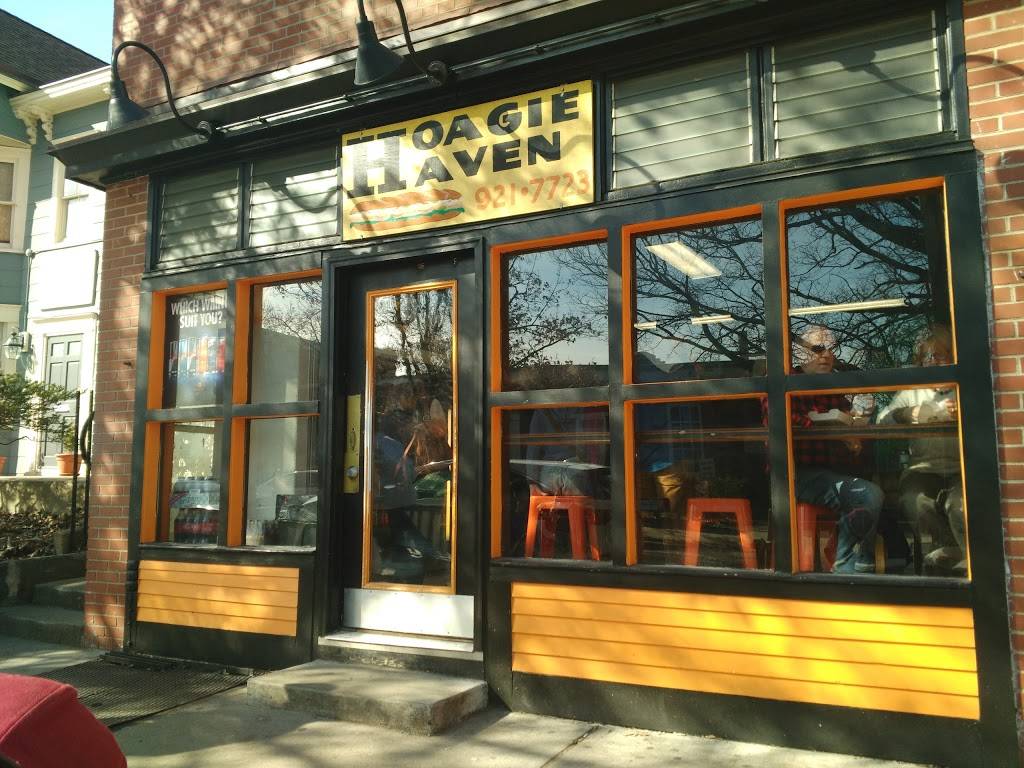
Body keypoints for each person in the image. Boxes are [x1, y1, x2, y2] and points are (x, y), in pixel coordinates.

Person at [790, 326, 883, 573]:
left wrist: (856, 434)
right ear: (799, 352)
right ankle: (850, 569)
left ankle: (846, 557)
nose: (827, 355)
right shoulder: (784, 381)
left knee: (874, 496)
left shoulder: (833, 386)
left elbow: (849, 421)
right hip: (795, 473)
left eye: (831, 349)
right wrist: (836, 432)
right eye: (818, 349)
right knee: (867, 494)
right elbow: (782, 421)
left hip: (834, 472)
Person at [876, 327, 965, 573]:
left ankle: (966, 559)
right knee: (914, 500)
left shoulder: (965, 386)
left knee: (959, 505)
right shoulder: (913, 391)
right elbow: (882, 419)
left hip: (963, 468)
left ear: (954, 358)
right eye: (926, 357)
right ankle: (947, 553)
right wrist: (907, 413)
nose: (932, 361)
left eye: (939, 355)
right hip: (923, 469)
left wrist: (965, 411)